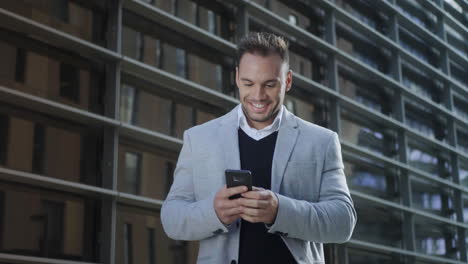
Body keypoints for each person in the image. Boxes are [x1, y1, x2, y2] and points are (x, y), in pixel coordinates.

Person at [161, 32, 356, 264]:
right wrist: (214, 212)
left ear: (288, 81)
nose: (258, 95)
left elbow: (343, 222)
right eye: (248, 83)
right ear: (236, 78)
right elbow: (171, 218)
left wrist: (279, 211)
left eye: (270, 84)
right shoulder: (199, 138)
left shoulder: (321, 141)